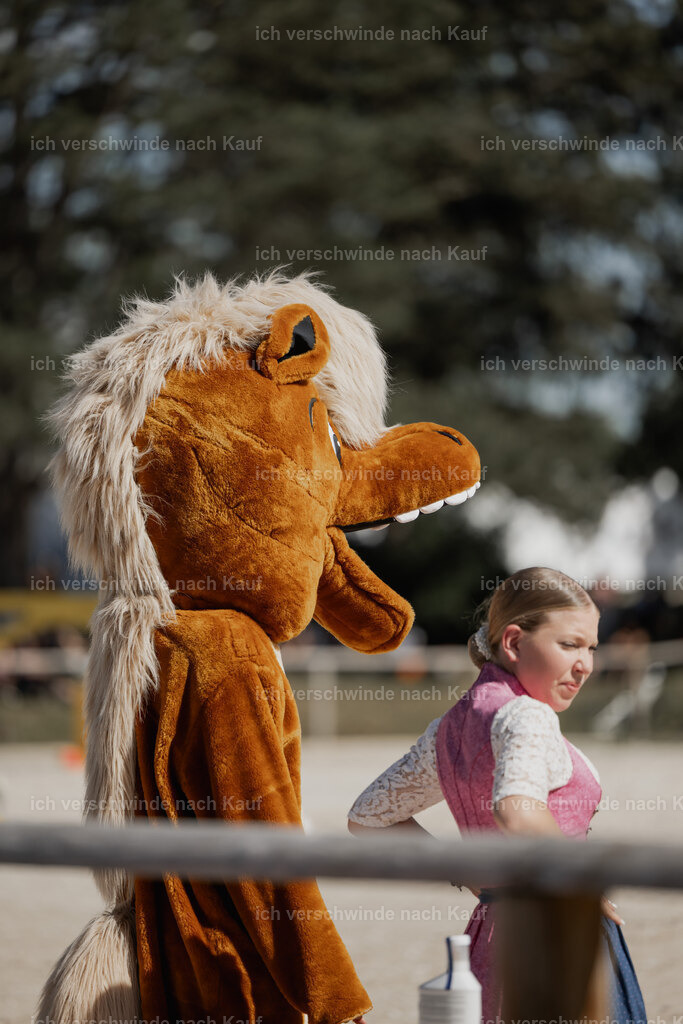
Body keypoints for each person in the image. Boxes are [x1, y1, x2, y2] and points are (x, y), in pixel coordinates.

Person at [347, 566, 647, 1024]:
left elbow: (367, 818)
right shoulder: (528, 715)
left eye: (591, 647)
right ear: (512, 642)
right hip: (558, 936)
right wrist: (576, 880)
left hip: (491, 937)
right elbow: (517, 809)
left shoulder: (446, 728)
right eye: (569, 644)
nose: (585, 664)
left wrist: (472, 874)